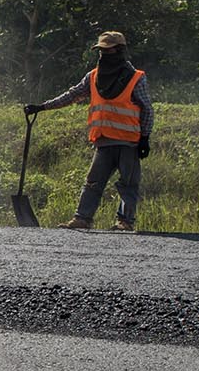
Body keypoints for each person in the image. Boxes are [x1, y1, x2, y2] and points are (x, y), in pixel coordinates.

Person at [25, 30, 154, 232]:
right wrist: (42, 107)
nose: (103, 54)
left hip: (129, 141)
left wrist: (145, 137)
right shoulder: (93, 77)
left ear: (119, 50)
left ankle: (125, 222)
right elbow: (72, 95)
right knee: (93, 182)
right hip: (103, 140)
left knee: (128, 184)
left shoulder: (136, 78)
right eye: (100, 50)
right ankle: (82, 218)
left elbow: (146, 108)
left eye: (107, 49)